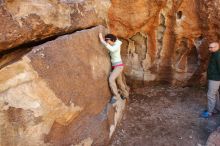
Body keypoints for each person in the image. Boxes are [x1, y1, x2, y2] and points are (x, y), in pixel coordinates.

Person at [99, 33, 129, 104]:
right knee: (119, 82)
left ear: (112, 40)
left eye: (108, 41)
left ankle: (116, 96)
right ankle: (125, 94)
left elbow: (112, 50)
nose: (107, 43)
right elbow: (110, 49)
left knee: (111, 79)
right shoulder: (113, 44)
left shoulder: (117, 44)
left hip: (118, 66)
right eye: (106, 42)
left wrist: (102, 40)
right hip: (116, 66)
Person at [201, 42, 220, 118]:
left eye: (211, 47)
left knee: (210, 95)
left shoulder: (218, 55)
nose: (209, 49)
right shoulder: (214, 54)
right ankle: (217, 108)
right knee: (215, 94)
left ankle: (209, 112)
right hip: (213, 78)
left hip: (215, 79)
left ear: (216, 47)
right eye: (209, 47)